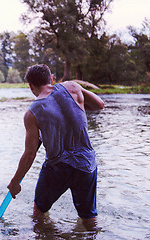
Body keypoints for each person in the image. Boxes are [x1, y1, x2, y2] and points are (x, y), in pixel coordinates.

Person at [7, 64, 104, 229]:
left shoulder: (31, 113)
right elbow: (99, 105)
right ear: (51, 78)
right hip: (86, 165)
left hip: (58, 168)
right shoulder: (73, 87)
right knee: (89, 218)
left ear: (31, 86)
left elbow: (30, 154)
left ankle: (46, 234)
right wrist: (80, 104)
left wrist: (15, 182)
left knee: (39, 212)